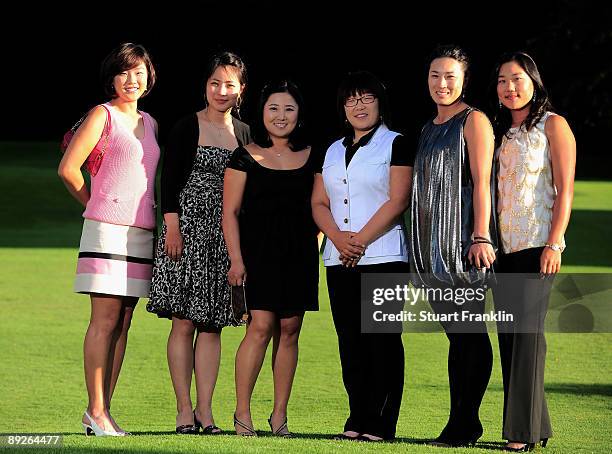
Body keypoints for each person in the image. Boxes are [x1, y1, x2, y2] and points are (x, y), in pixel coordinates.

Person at [58, 43, 159, 436]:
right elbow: (69, 169)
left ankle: (101, 412)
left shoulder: (150, 123)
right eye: (124, 72)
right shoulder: (103, 115)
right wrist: (96, 204)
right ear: (112, 78)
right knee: (104, 320)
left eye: (139, 72)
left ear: (149, 76)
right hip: (106, 230)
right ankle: (96, 411)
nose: (131, 80)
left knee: (125, 321)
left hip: (141, 233)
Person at [146, 51, 250, 435]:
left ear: (241, 89)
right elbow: (168, 181)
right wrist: (172, 227)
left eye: (230, 84)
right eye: (214, 83)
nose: (221, 91)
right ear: (205, 86)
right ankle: (184, 411)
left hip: (224, 239)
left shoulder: (244, 133)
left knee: (212, 326)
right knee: (183, 321)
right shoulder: (186, 127)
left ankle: (207, 414)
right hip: (185, 234)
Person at [311, 70, 413, 442]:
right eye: (351, 99)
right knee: (350, 341)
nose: (359, 105)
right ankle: (357, 417)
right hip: (339, 259)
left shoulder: (397, 143)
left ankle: (382, 423)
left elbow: (398, 199)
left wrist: (360, 240)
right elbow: (319, 202)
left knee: (382, 340)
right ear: (342, 107)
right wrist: (338, 239)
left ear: (380, 104)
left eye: (367, 98)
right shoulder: (332, 150)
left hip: (383, 256)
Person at [409, 45, 496, 447]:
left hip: (462, 245)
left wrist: (480, 236)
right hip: (431, 246)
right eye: (434, 75)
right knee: (457, 335)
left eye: (449, 76)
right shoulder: (428, 127)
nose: (441, 83)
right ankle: (459, 420)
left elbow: (482, 183)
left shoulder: (473, 121)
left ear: (463, 80)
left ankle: (466, 423)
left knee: (469, 334)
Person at [223, 80, 319, 437]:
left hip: (300, 256)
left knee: (290, 331)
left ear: (300, 114)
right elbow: (229, 213)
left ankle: (280, 417)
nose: (281, 116)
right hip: (257, 255)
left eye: (289, 109)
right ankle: (242, 414)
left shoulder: (313, 155)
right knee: (260, 327)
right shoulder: (244, 154)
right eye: (274, 109)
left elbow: (318, 206)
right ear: (262, 113)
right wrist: (236, 260)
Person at [491, 52, 575, 452]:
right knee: (511, 340)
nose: (510, 87)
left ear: (534, 81)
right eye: (503, 81)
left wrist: (555, 243)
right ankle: (535, 427)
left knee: (527, 338)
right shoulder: (500, 133)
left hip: (538, 246)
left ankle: (519, 434)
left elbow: (565, 190)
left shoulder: (553, 126)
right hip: (501, 250)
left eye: (518, 78)